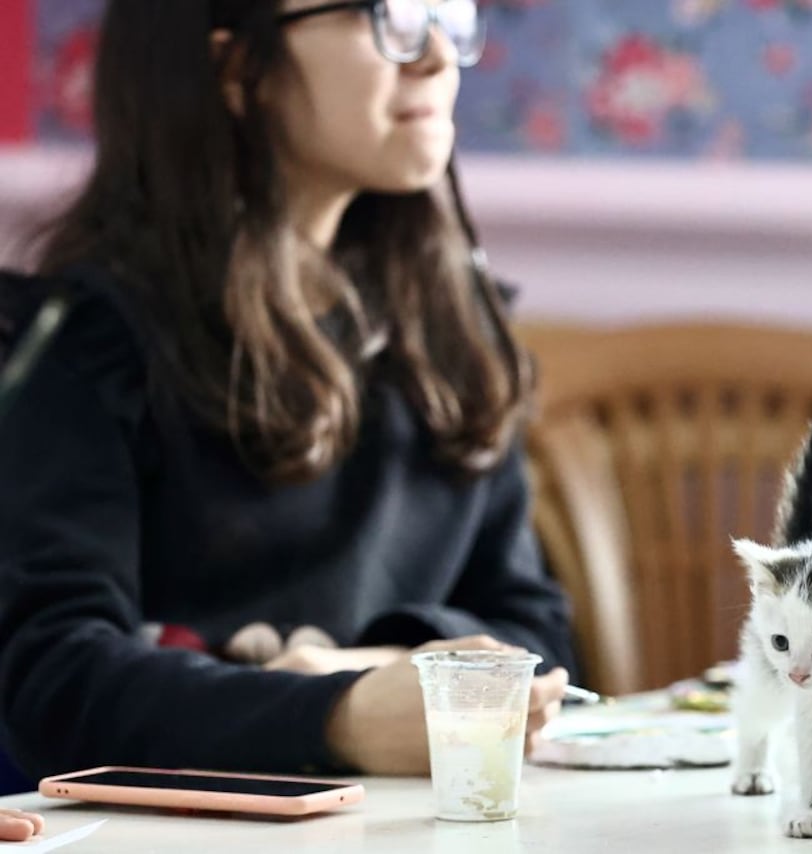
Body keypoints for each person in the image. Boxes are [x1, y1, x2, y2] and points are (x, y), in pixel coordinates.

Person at [0, 0, 574, 782]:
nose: (439, 54)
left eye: (449, 12)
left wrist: (369, 667)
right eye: (391, 16)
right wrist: (339, 716)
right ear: (240, 68)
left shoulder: (449, 329)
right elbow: (52, 679)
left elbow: (536, 629)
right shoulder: (87, 339)